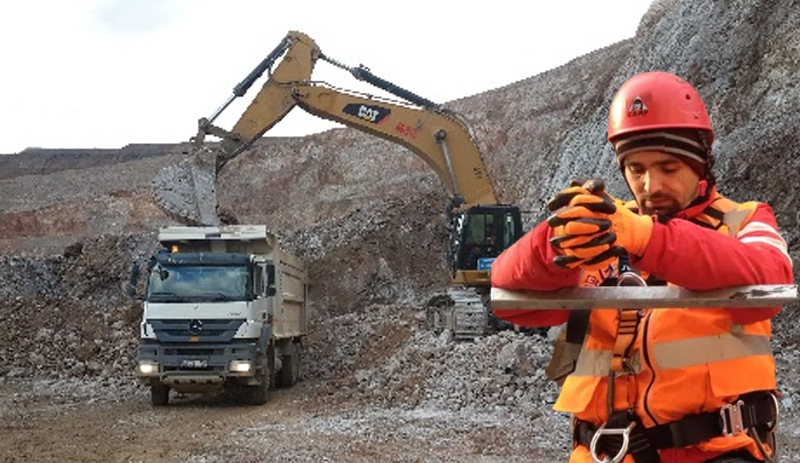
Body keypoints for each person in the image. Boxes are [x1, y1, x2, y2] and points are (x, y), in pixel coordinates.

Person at [490, 71, 793, 463]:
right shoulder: (604, 228)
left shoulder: (745, 221)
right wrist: (554, 243)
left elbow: (769, 281)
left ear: (701, 164)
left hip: (713, 451)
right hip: (606, 452)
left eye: (668, 168)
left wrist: (647, 238)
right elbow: (511, 299)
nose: (651, 186)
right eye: (636, 169)